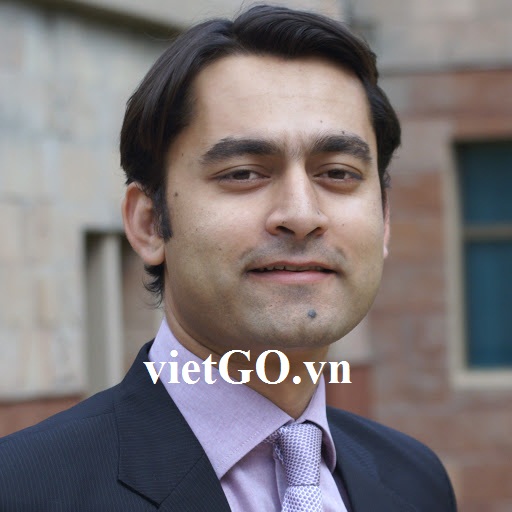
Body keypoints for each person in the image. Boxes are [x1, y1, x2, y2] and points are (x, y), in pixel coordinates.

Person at [0, 4, 457, 511]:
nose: (301, 215)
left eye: (338, 173)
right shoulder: (23, 491)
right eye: (243, 173)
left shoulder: (415, 481)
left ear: (384, 217)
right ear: (149, 223)